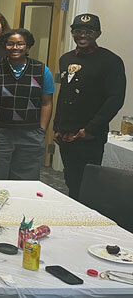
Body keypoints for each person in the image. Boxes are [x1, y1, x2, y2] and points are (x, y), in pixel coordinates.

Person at [54, 14, 126, 199]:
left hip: (90, 135)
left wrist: (91, 128)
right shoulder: (66, 59)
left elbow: (115, 99)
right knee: (71, 181)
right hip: (66, 134)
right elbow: (64, 95)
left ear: (98, 33)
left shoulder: (111, 61)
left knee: (87, 184)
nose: (83, 35)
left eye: (89, 31)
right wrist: (57, 127)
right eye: (78, 31)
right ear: (72, 33)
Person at [0, 29, 55, 180]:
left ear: (28, 47)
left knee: (26, 182)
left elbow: (47, 103)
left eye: (20, 44)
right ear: (5, 46)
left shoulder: (42, 70)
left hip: (31, 135)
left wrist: (41, 131)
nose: (15, 47)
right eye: (10, 44)